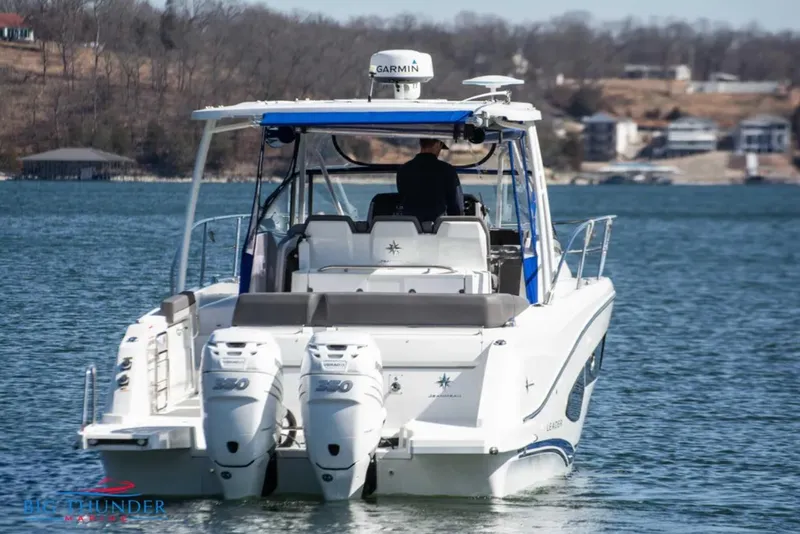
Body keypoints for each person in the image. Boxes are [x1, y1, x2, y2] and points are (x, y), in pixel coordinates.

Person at [395, 138, 464, 223]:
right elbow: (457, 206)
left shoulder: (403, 170)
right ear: (437, 144)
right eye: (441, 147)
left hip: (409, 226)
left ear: (421, 143)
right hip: (440, 228)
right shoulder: (447, 170)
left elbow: (402, 195)